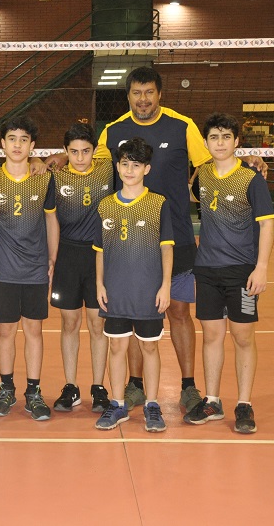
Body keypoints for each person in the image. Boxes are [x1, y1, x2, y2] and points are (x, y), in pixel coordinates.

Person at [46, 67, 266, 415]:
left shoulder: (182, 126)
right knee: (134, 312)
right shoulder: (114, 130)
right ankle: (135, 385)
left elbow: (214, 159)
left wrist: (248, 158)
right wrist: (58, 158)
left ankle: (189, 386)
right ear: (128, 96)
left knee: (178, 311)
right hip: (129, 244)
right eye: (136, 93)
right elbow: (85, 158)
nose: (143, 99)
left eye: (149, 92)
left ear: (159, 94)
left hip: (175, 237)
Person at [183, 113, 274, 434]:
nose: (220, 143)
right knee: (211, 336)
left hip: (242, 272)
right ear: (206, 142)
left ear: (236, 141)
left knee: (243, 336)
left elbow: (268, 225)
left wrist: (261, 267)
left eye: (226, 137)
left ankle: (244, 403)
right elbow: (192, 193)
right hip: (207, 270)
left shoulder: (251, 179)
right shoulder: (204, 175)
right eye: (214, 137)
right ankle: (212, 400)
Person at [0, 116, 59, 421]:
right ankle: (6, 388)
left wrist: (52, 260)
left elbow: (51, 220)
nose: (17, 145)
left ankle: (34, 392)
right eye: (12, 139)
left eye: (24, 140)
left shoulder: (43, 179)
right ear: (2, 144)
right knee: (6, 330)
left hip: (36, 268)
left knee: (34, 330)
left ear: (32, 146)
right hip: (3, 268)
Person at [94, 138, 173, 432]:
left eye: (136, 165)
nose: (129, 170)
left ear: (146, 169)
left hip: (148, 291)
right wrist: (100, 284)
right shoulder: (105, 205)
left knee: (149, 348)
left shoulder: (158, 204)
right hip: (116, 290)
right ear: (117, 166)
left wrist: (165, 286)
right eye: (125, 164)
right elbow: (99, 250)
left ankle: (152, 405)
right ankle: (117, 404)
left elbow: (167, 248)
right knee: (117, 346)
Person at [49, 121, 113, 413]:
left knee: (98, 323)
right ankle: (71, 386)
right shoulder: (55, 176)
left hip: (99, 256)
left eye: (86, 151)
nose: (80, 157)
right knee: (70, 323)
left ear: (94, 150)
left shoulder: (107, 168)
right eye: (73, 152)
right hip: (67, 256)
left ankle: (98, 387)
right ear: (65, 150)